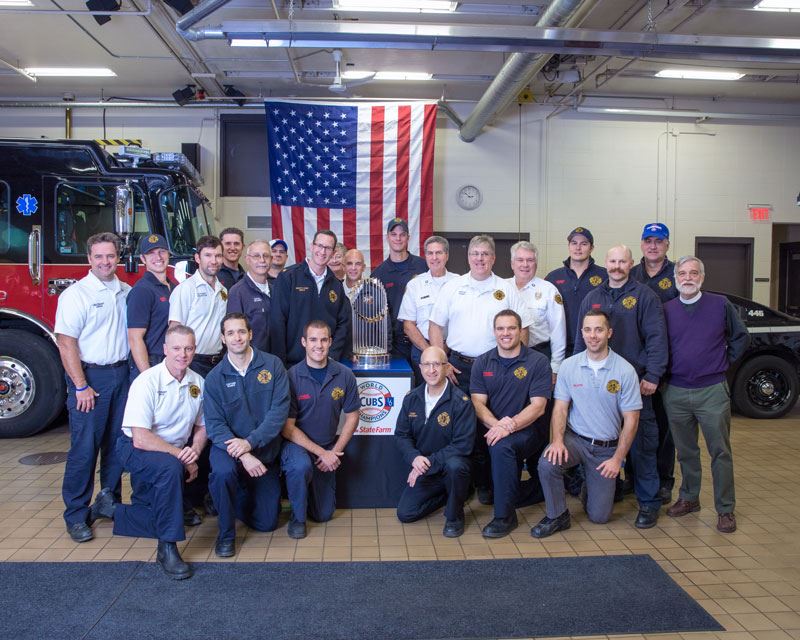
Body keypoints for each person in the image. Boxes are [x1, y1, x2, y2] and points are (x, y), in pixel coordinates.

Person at [90, 324, 206, 579]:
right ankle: (167, 548)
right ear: (165, 349)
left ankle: (109, 509)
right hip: (135, 448)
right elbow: (141, 438)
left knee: (162, 513)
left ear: (194, 350)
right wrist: (180, 457)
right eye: (176, 348)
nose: (182, 354)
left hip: (170, 452)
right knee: (170, 470)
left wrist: (194, 451)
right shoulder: (147, 381)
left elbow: (202, 426)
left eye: (188, 348)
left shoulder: (198, 382)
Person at [429, 234, 531, 506]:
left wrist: (517, 366)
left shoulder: (507, 289)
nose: (480, 258)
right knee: (461, 430)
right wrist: (442, 362)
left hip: (496, 368)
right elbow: (436, 326)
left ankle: (488, 485)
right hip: (458, 368)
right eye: (475, 253)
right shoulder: (453, 287)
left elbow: (523, 329)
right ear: (468, 256)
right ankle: (462, 484)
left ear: (494, 258)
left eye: (485, 254)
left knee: (492, 427)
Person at [574, 245, 668, 528]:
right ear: (605, 263)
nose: (616, 266)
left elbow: (656, 339)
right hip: (597, 388)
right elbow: (581, 341)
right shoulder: (593, 297)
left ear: (630, 264)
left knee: (641, 446)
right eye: (612, 261)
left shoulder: (645, 296)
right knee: (599, 440)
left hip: (635, 385)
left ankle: (649, 503)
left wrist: (652, 374)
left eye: (622, 261)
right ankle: (607, 488)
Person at [531, 310, 642, 537]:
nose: (593, 335)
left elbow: (632, 419)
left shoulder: (625, 371)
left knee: (599, 517)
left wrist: (617, 460)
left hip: (606, 449)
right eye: (588, 330)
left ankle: (587, 486)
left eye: (599, 329)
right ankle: (557, 515)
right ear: (581, 333)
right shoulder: (569, 366)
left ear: (609, 333)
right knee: (548, 462)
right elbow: (560, 408)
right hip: (575, 440)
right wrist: (558, 441)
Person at [662, 256, 749, 534]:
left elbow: (741, 337)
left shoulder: (719, 305)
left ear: (702, 277)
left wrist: (722, 363)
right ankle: (689, 497)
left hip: (712, 390)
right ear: (676, 278)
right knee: (685, 451)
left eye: (693, 273)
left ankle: (725, 509)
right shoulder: (667, 309)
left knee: (720, 451)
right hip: (676, 390)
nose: (688, 278)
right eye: (683, 273)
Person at [55, 232, 131, 543]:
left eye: (110, 256)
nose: (105, 261)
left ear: (118, 258)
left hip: (121, 375)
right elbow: (65, 342)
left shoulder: (126, 291)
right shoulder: (76, 295)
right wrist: (81, 386)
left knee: (116, 445)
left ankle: (108, 499)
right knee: (84, 449)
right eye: (98, 256)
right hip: (90, 380)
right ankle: (76, 513)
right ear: (89, 259)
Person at [204, 313, 289, 556]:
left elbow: (278, 413)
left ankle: (231, 496)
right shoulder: (214, 379)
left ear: (250, 334)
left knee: (267, 522)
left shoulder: (273, 366)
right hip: (228, 451)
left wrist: (250, 443)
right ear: (222, 338)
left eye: (241, 331)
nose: (237, 337)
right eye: (230, 333)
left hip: (262, 451)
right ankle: (226, 534)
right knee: (222, 473)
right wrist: (243, 454)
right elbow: (215, 425)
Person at [470, 310, 551, 538]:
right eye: (501, 328)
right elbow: (477, 403)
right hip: (495, 428)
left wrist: (509, 426)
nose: (506, 333)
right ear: (494, 332)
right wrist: (497, 425)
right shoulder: (482, 362)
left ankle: (504, 517)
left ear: (520, 330)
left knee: (501, 446)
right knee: (499, 483)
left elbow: (538, 407)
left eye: (511, 328)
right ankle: (538, 490)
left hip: (529, 429)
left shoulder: (538, 361)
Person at [281, 321, 360, 539]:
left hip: (327, 448)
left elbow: (353, 415)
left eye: (324, 339)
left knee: (324, 514)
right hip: (297, 447)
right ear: (304, 342)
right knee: (300, 467)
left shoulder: (344, 375)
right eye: (313, 340)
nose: (319, 345)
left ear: (330, 342)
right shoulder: (291, 376)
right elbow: (287, 429)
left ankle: (307, 501)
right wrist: (321, 453)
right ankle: (297, 518)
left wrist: (334, 452)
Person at [395, 346, 475, 537]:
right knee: (406, 513)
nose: (431, 370)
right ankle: (455, 494)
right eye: (427, 365)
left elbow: (462, 445)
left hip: (450, 467)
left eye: (437, 364)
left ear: (447, 368)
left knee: (456, 466)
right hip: (426, 469)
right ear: (420, 367)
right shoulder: (411, 398)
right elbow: (401, 435)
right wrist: (414, 458)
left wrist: (428, 462)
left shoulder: (461, 402)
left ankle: (455, 515)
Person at [630, 222, 680, 504]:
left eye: (659, 241)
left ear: (667, 245)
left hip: (666, 365)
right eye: (648, 240)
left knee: (663, 427)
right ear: (641, 244)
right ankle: (633, 477)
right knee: (632, 424)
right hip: (635, 364)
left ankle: (664, 480)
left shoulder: (677, 274)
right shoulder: (632, 274)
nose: (653, 245)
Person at [269, 230, 352, 367]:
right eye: (319, 246)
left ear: (332, 252)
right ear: (312, 246)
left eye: (328, 248)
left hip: (326, 363)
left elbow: (343, 324)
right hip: (293, 363)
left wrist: (332, 355)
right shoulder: (288, 277)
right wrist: (279, 364)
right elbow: (277, 322)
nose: (323, 251)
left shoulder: (336, 284)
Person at [398, 235, 458, 381]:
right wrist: (431, 353)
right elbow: (408, 325)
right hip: (422, 350)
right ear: (425, 256)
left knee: (452, 397)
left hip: (453, 351)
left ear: (447, 255)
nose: (434, 257)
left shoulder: (459, 283)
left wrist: (444, 352)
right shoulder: (415, 285)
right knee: (423, 395)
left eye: (439, 253)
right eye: (430, 253)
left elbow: (464, 321)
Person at [371, 218, 427, 369]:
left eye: (402, 234)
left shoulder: (423, 266)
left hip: (423, 340)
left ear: (408, 237)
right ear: (387, 237)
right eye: (393, 234)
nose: (398, 238)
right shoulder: (378, 274)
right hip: (395, 346)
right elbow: (377, 316)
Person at [168, 235, 228, 378]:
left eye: (218, 255)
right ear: (197, 258)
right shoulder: (185, 289)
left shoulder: (223, 291)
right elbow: (174, 330)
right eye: (208, 255)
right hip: (193, 362)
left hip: (218, 361)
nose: (214, 261)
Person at [545, 227, 607, 356]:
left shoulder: (605, 276)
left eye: (584, 244)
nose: (578, 248)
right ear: (569, 246)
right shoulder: (553, 277)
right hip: (560, 347)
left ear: (591, 248)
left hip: (594, 345)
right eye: (574, 243)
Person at [509, 241, 566, 380]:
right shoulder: (502, 288)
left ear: (536, 264)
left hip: (539, 354)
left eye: (530, 260)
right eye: (520, 260)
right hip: (506, 357)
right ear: (512, 263)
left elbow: (558, 331)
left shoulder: (549, 290)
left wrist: (556, 367)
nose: (525, 264)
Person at [127, 234, 173, 381]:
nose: (158, 257)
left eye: (162, 251)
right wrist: (147, 377)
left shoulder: (175, 287)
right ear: (142, 259)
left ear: (168, 254)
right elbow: (135, 338)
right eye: (151, 253)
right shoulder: (142, 290)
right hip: (151, 362)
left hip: (171, 361)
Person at [227, 240, 272, 352]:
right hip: (251, 361)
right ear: (247, 260)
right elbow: (234, 333)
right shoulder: (237, 292)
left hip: (275, 361)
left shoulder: (277, 290)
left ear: (271, 260)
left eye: (266, 256)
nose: (262, 260)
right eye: (256, 256)